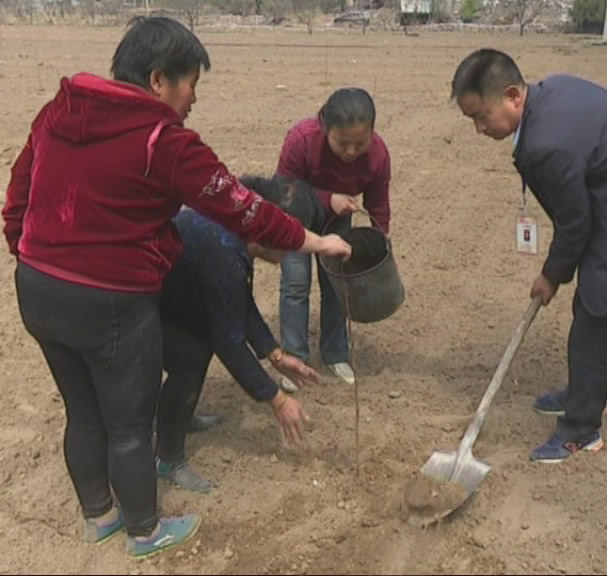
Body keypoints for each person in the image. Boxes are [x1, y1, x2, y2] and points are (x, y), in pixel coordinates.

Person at [2, 16, 350, 558]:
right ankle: (145, 529)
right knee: (130, 420)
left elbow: (19, 193)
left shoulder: (57, 112)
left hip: (39, 287)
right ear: (159, 79)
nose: (193, 99)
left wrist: (30, 254)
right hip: (112, 298)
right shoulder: (163, 141)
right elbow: (241, 207)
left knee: (83, 410)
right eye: (191, 84)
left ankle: (100, 515)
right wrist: (314, 240)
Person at [450, 48, 607, 464]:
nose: (478, 129)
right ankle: (586, 393)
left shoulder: (546, 144)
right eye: (471, 120)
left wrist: (551, 275)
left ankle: (581, 430)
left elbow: (575, 224)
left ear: (513, 96)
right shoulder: (553, 92)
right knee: (594, 309)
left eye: (481, 116)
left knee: (594, 325)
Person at [155, 175, 325, 493]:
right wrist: (277, 399)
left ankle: (178, 418)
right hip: (140, 304)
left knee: (195, 349)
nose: (293, 252)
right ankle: (168, 458)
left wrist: (274, 354)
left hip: (168, 295)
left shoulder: (234, 234)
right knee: (190, 356)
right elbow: (229, 341)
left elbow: (236, 301)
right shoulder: (224, 250)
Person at [275, 87, 392, 392]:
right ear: (326, 128)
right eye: (343, 143)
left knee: (337, 286)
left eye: (360, 143)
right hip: (296, 219)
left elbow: (378, 202)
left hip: (338, 221)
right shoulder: (301, 141)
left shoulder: (378, 155)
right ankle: (294, 358)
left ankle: (335, 353)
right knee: (296, 284)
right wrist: (328, 199)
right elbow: (283, 191)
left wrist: (379, 242)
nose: (352, 151)